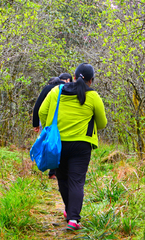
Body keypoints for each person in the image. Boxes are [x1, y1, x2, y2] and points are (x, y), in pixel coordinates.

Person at [39, 63, 107, 230]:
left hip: (58, 143)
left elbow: (41, 111)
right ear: (91, 80)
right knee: (76, 181)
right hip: (82, 145)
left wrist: (51, 128)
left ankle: (70, 213)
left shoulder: (56, 91)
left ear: (74, 77)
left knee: (62, 178)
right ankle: (73, 219)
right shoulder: (93, 96)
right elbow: (102, 123)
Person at [32, 73, 72, 179]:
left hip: (48, 123)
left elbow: (38, 107)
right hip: (61, 123)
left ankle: (47, 167)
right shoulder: (67, 90)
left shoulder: (48, 88)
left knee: (48, 145)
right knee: (58, 146)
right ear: (68, 80)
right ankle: (55, 171)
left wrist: (36, 124)